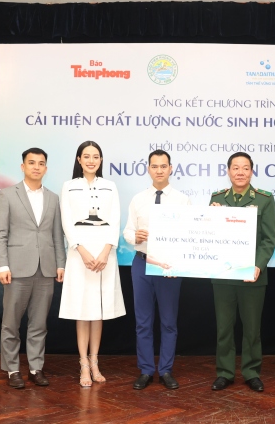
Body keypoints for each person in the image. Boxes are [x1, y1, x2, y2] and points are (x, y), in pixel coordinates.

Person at [0, 147, 66, 389]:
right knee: (11, 323)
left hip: (45, 269)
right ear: (23, 166)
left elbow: (57, 235)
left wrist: (60, 263)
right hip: (16, 269)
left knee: (39, 324)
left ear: (46, 168)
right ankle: (12, 369)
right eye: (32, 162)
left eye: (41, 163)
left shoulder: (53, 198)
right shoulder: (7, 195)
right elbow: (0, 234)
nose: (36, 167)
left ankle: (36, 368)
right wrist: (2, 265)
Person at [123, 149, 191, 390]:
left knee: (169, 322)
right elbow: (127, 231)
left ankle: (165, 370)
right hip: (142, 263)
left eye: (163, 166)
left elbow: (188, 234)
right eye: (155, 166)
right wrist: (135, 236)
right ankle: (145, 370)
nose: (159, 170)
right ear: (148, 169)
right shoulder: (138, 199)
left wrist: (179, 262)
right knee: (143, 321)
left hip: (169, 267)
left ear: (171, 168)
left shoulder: (182, 200)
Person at [58, 140, 125, 388]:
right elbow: (67, 222)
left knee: (99, 311)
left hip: (104, 256)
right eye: (86, 156)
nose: (91, 160)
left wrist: (106, 252)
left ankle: (95, 361)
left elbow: (115, 220)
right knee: (82, 310)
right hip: (79, 256)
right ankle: (83, 364)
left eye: (95, 156)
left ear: (101, 160)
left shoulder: (110, 186)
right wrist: (82, 251)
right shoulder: (69, 187)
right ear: (79, 159)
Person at [208, 152, 275, 392]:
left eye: (245, 168)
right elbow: (210, 236)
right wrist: (211, 218)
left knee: (252, 329)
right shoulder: (217, 198)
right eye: (235, 168)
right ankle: (225, 372)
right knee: (224, 328)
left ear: (251, 171)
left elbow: (269, 239)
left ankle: (251, 372)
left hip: (253, 276)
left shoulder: (265, 199)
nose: (240, 172)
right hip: (223, 275)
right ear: (228, 171)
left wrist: (258, 265)